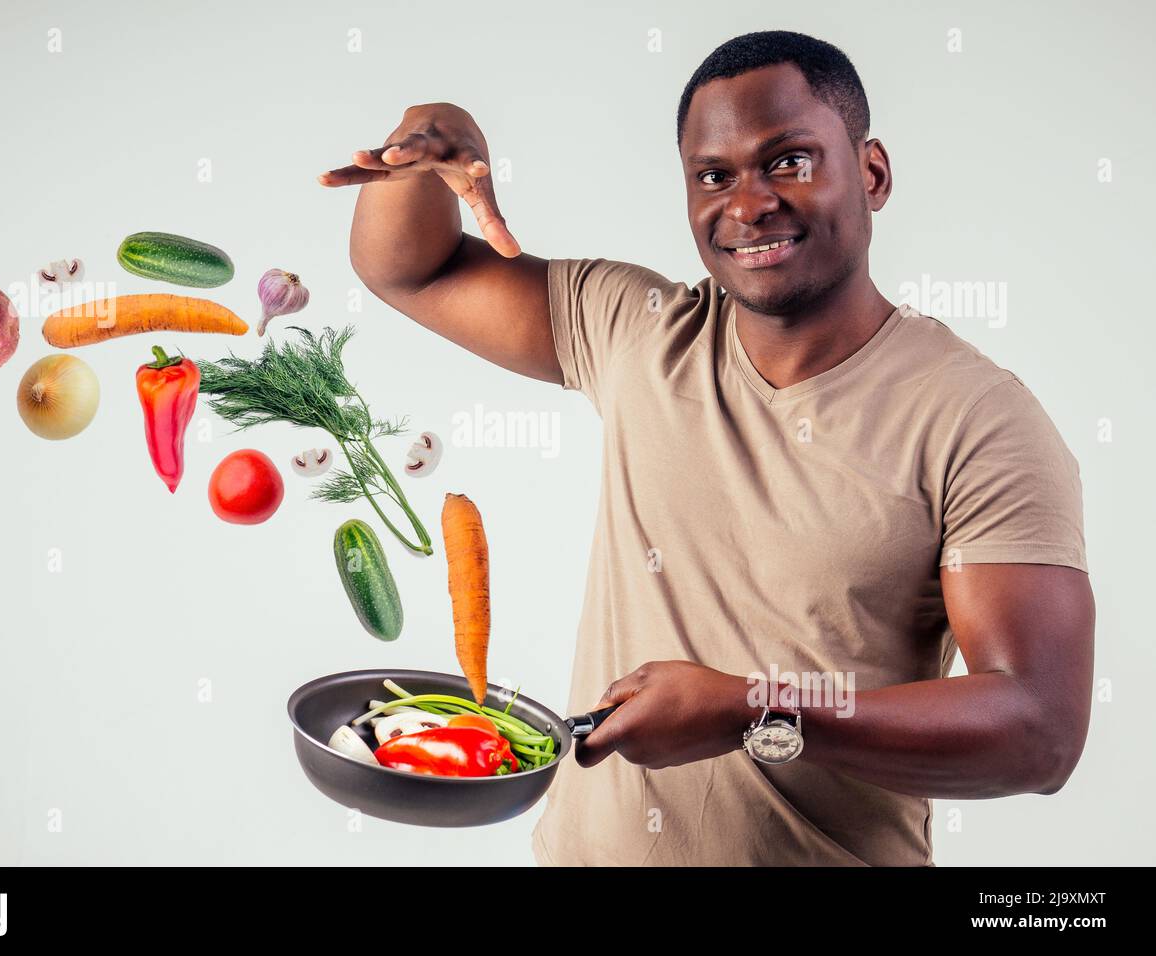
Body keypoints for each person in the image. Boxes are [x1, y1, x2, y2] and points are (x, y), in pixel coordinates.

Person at [317, 29, 1094, 866]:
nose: (748, 204)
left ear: (871, 173)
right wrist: (432, 133)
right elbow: (411, 269)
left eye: (789, 161)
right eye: (714, 177)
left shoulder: (976, 419)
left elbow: (1038, 734)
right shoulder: (636, 331)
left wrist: (755, 709)